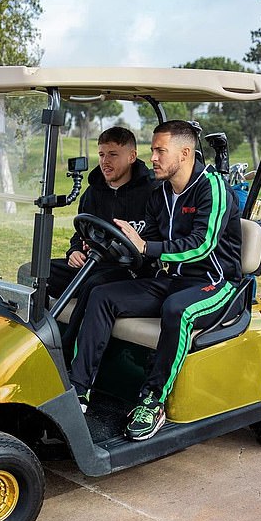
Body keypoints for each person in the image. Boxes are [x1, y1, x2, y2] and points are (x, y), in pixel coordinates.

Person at [70, 120, 243, 441]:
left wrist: (145, 246)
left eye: (161, 151)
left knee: (178, 310)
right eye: (153, 151)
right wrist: (117, 242)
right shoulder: (161, 193)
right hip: (171, 280)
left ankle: (153, 400)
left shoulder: (213, 188)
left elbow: (201, 245)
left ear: (185, 153)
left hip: (216, 283)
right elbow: (146, 237)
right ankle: (78, 390)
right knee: (102, 294)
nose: (153, 158)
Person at [48, 126, 156, 362]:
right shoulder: (93, 192)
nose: (105, 162)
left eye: (113, 155)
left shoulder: (152, 192)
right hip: (94, 263)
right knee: (39, 271)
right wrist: (74, 250)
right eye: (102, 155)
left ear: (132, 156)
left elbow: (154, 242)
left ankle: (64, 353)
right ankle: (34, 337)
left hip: (131, 270)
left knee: (93, 285)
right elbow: (81, 233)